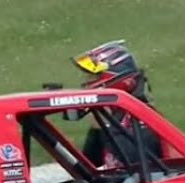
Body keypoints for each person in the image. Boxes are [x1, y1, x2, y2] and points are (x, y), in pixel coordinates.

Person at [69, 39, 162, 170]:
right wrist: (100, 127)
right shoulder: (117, 118)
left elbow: (132, 170)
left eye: (93, 77)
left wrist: (106, 126)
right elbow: (87, 168)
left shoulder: (140, 124)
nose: (87, 83)